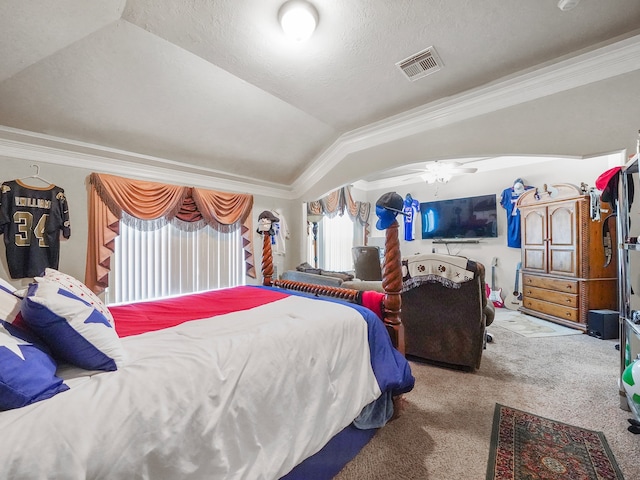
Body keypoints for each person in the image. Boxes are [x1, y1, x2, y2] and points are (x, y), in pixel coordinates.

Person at [500, 178, 532, 248]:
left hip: (523, 219)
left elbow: (502, 204)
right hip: (524, 218)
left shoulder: (507, 192)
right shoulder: (531, 191)